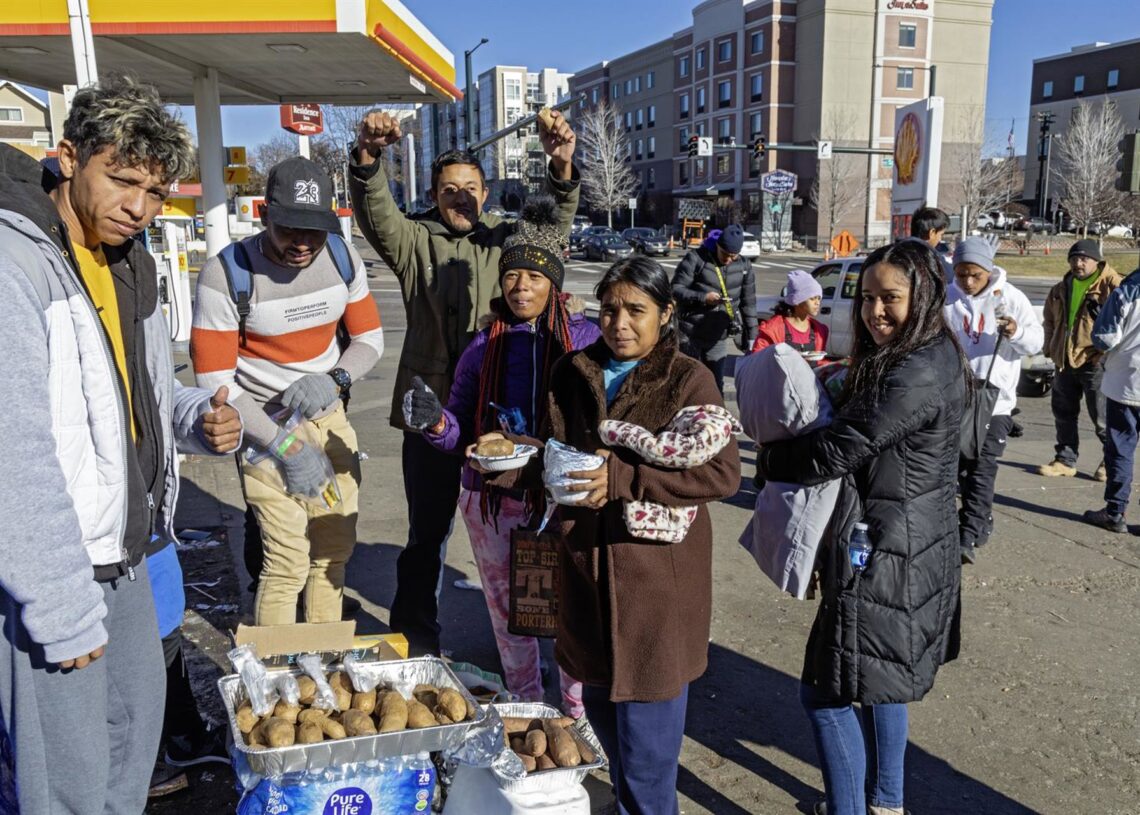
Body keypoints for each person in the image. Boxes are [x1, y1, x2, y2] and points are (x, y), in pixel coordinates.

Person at [0, 75, 242, 814]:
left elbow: (140, 398)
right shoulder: (17, 265)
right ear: (68, 157)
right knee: (66, 788)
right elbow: (14, 449)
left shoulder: (128, 260)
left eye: (156, 192)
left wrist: (195, 417)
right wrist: (59, 604)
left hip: (131, 556)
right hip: (58, 571)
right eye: (123, 179)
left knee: (129, 756)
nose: (139, 206)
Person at [475, 257, 741, 814]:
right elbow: (556, 458)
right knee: (605, 731)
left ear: (666, 314)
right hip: (586, 579)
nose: (620, 322)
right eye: (610, 308)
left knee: (647, 765)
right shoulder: (573, 372)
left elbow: (721, 473)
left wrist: (622, 478)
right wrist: (505, 461)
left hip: (655, 595)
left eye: (636, 310)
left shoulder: (689, 379)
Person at [349, 109, 580, 656]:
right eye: (449, 189)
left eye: (470, 188)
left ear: (485, 192)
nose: (460, 197)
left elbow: (550, 232)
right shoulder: (413, 242)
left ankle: (524, 648)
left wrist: (561, 163)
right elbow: (376, 212)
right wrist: (367, 157)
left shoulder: (504, 242)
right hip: (430, 418)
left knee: (517, 531)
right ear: (433, 194)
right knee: (426, 535)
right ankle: (414, 642)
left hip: (498, 419)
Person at [756, 240, 970, 815]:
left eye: (890, 298)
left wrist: (771, 463)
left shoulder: (917, 369)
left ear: (923, 295)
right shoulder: (927, 351)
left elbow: (842, 448)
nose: (875, 310)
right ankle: (886, 802)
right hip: (907, 542)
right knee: (879, 685)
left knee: (824, 695)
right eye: (868, 297)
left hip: (885, 552)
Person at [402, 196, 598, 715]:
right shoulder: (481, 344)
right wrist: (432, 422)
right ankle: (525, 710)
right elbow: (456, 430)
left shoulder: (584, 339)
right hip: (491, 500)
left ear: (554, 282)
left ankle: (577, 715)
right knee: (509, 613)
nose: (520, 287)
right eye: (512, 276)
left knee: (571, 610)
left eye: (534, 277)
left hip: (562, 501)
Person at [191, 156, 383, 625]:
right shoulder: (226, 274)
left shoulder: (341, 256)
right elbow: (214, 382)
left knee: (333, 553)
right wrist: (285, 447)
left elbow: (369, 339)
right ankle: (277, 680)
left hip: (328, 417)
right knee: (287, 562)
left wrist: (334, 380)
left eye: (314, 230)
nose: (302, 243)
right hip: (262, 431)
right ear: (264, 217)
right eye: (289, 229)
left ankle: (322, 672)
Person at [944, 236, 1043, 564]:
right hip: (955, 398)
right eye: (961, 275)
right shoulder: (947, 299)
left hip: (995, 403)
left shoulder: (1012, 298)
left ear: (988, 270)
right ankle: (979, 520)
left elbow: (1034, 344)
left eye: (975, 274)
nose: (968, 282)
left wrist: (1016, 332)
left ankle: (968, 532)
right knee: (955, 468)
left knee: (981, 470)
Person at [1038, 239, 1122, 481]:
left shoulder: (1112, 286)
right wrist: (1050, 348)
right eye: (1074, 258)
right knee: (1063, 413)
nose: (1078, 263)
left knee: (1103, 417)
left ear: (1096, 260)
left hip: (1096, 362)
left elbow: (1125, 326)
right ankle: (1065, 460)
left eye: (1084, 258)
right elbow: (1050, 321)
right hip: (1064, 360)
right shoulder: (1061, 287)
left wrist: (1104, 355)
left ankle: (1111, 461)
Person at [1083, 266, 1140, 533]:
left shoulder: (1128, 289)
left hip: (1127, 383)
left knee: (1121, 448)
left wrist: (1098, 316)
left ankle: (1115, 511)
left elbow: (1105, 339)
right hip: (1127, 382)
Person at [671, 223, 758, 394]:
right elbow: (675, 289)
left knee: (716, 385)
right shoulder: (696, 258)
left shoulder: (744, 267)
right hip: (691, 333)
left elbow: (748, 303)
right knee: (687, 383)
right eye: (725, 254)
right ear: (717, 245)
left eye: (733, 256)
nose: (728, 259)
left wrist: (752, 337)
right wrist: (703, 298)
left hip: (719, 334)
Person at [752, 269, 829, 357]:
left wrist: (837, 365)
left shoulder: (819, 330)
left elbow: (819, 364)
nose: (817, 302)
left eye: (819, 298)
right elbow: (757, 360)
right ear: (797, 301)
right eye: (812, 298)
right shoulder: (773, 329)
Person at [910, 205, 952, 279]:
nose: (940, 239)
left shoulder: (893, 252)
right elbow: (950, 279)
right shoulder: (932, 259)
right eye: (941, 234)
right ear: (932, 233)